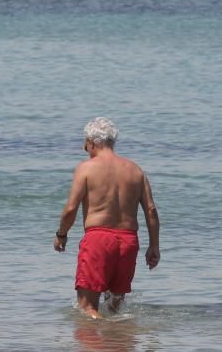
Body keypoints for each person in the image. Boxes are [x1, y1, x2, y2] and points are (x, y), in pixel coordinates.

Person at [54, 117, 159, 318]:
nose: (85, 148)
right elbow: (151, 211)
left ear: (92, 142)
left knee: (87, 308)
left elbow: (70, 209)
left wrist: (61, 234)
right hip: (128, 242)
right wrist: (154, 246)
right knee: (115, 309)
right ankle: (116, 343)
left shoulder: (86, 168)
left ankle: (94, 344)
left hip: (98, 240)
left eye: (85, 144)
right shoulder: (135, 170)